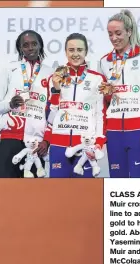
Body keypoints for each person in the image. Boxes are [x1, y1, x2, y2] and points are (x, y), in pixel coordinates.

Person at [98, 9, 140, 178]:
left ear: (129, 31)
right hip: (113, 131)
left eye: (118, 33)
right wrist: (106, 94)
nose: (114, 38)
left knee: (137, 180)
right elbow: (103, 102)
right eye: (110, 34)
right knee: (116, 179)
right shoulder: (104, 61)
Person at [0, 30, 53, 178]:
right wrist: (10, 104)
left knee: (34, 193)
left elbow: (54, 110)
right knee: (6, 189)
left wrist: (47, 141)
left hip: (37, 143)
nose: (30, 48)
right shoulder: (9, 69)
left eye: (34, 44)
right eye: (26, 45)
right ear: (20, 49)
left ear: (40, 46)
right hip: (10, 139)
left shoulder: (51, 73)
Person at [44, 33, 107, 178]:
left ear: (86, 52)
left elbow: (100, 115)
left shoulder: (97, 79)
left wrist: (98, 143)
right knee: (58, 196)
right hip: (59, 146)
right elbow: (50, 119)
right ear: (65, 52)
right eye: (71, 50)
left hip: (86, 146)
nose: (75, 54)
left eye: (80, 50)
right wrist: (56, 90)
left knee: (84, 196)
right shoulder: (55, 78)